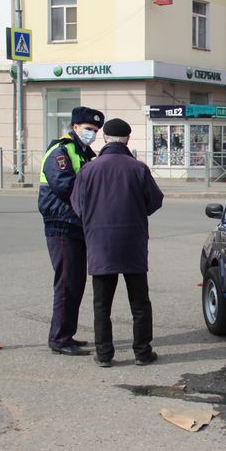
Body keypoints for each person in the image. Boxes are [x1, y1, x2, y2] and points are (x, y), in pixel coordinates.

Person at [71, 118, 164, 367]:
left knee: (102, 304)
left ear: (104, 139)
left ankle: (104, 355)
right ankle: (142, 353)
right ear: (128, 139)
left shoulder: (88, 170)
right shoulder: (138, 168)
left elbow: (78, 206)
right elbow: (154, 201)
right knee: (140, 303)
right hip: (132, 243)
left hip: (100, 245)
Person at [39, 106, 103, 356]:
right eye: (88, 129)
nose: (92, 134)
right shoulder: (61, 151)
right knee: (66, 283)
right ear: (75, 127)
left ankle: (67, 333)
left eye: (95, 130)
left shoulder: (83, 152)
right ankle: (60, 338)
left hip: (76, 223)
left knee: (75, 283)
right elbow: (65, 186)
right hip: (61, 223)